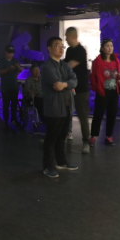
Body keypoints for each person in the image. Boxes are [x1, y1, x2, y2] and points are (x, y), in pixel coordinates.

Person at [41, 37, 78, 178]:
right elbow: (56, 85)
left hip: (67, 106)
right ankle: (48, 166)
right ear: (49, 48)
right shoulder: (47, 67)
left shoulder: (65, 65)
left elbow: (75, 80)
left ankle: (61, 162)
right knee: (51, 138)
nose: (61, 48)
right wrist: (67, 85)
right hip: (54, 107)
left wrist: (65, 84)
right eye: (58, 46)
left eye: (63, 46)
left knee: (62, 136)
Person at [90, 38, 120, 147]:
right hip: (102, 91)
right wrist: (96, 88)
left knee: (112, 114)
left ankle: (109, 136)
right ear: (102, 48)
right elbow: (93, 76)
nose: (110, 48)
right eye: (107, 46)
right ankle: (93, 136)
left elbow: (119, 73)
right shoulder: (97, 61)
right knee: (98, 114)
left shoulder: (116, 60)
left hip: (114, 92)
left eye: (111, 45)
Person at [64, 27, 91, 153]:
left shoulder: (81, 50)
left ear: (72, 36)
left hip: (81, 88)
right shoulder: (69, 50)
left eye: (67, 36)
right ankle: (61, 136)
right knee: (64, 113)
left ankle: (86, 142)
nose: (66, 39)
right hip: (70, 87)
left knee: (82, 115)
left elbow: (69, 65)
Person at [0, 45, 22, 126]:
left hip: (14, 86)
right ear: (5, 52)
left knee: (14, 104)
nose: (10, 54)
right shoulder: (2, 61)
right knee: (6, 104)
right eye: (9, 53)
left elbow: (21, 70)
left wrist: (17, 67)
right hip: (6, 86)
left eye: (12, 53)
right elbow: (0, 72)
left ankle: (13, 119)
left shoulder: (15, 60)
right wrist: (8, 69)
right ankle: (6, 120)